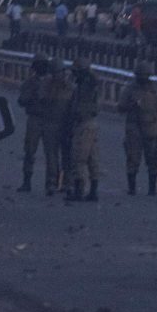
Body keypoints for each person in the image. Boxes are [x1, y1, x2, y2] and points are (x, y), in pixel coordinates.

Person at [120, 68, 157, 195]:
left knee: (152, 159)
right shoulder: (130, 89)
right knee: (133, 158)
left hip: (151, 128)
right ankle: (132, 188)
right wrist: (132, 105)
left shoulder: (153, 90)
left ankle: (152, 188)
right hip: (134, 127)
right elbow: (120, 107)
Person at [17, 57, 57, 193]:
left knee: (50, 153)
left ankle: (51, 183)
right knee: (29, 151)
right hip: (34, 118)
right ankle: (27, 181)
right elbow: (21, 100)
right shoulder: (29, 83)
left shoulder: (53, 82)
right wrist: (32, 94)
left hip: (49, 119)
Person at [64, 58, 100, 203]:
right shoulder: (83, 86)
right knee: (92, 159)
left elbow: (94, 80)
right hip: (90, 123)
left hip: (83, 124)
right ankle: (93, 191)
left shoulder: (87, 86)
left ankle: (79, 191)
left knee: (79, 158)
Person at [42, 56, 75, 197]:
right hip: (50, 124)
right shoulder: (46, 86)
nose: (58, 76)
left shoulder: (70, 88)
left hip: (65, 125)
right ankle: (52, 183)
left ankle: (66, 183)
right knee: (51, 156)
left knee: (67, 156)